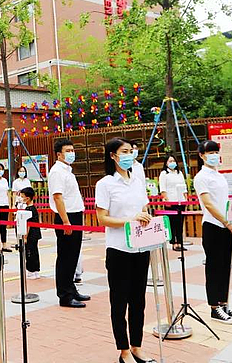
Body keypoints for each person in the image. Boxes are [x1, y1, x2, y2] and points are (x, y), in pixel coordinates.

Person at [95, 137, 155, 363]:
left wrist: (146, 218)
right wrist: (129, 221)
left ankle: (137, 346)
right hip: (118, 249)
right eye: (124, 151)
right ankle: (124, 351)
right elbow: (102, 218)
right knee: (119, 302)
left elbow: (144, 208)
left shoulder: (137, 181)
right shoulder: (105, 184)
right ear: (113, 155)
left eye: (131, 151)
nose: (129, 155)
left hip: (141, 248)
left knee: (139, 300)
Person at [194, 140, 232, 325]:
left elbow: (225, 201)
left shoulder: (219, 175)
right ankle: (214, 307)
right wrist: (225, 221)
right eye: (210, 153)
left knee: (225, 266)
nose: (214, 156)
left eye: (216, 152)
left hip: (226, 225)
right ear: (201, 155)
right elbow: (208, 204)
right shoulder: (201, 177)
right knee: (214, 268)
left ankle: (225, 304)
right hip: (213, 225)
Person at [47, 138, 90, 308]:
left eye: (73, 150)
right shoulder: (57, 171)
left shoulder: (68, 171)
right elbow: (58, 197)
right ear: (59, 154)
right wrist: (65, 221)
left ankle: (71, 289)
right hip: (67, 217)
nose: (72, 153)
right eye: (68, 151)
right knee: (65, 257)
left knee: (73, 256)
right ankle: (65, 295)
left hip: (75, 215)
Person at [159, 156, 189, 251]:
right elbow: (163, 188)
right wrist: (166, 200)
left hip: (181, 201)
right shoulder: (164, 174)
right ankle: (174, 243)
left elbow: (184, 186)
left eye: (174, 160)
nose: (172, 162)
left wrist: (186, 198)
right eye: (170, 161)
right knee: (172, 222)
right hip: (170, 201)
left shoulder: (179, 173)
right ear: (166, 163)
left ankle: (180, 242)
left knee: (180, 223)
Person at [19, 187, 41, 279]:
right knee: (35, 252)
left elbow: (28, 224)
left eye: (22, 196)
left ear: (27, 198)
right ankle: (36, 270)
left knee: (29, 252)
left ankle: (31, 270)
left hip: (31, 234)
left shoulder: (28, 209)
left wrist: (25, 237)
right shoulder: (33, 208)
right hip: (36, 233)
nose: (20, 198)